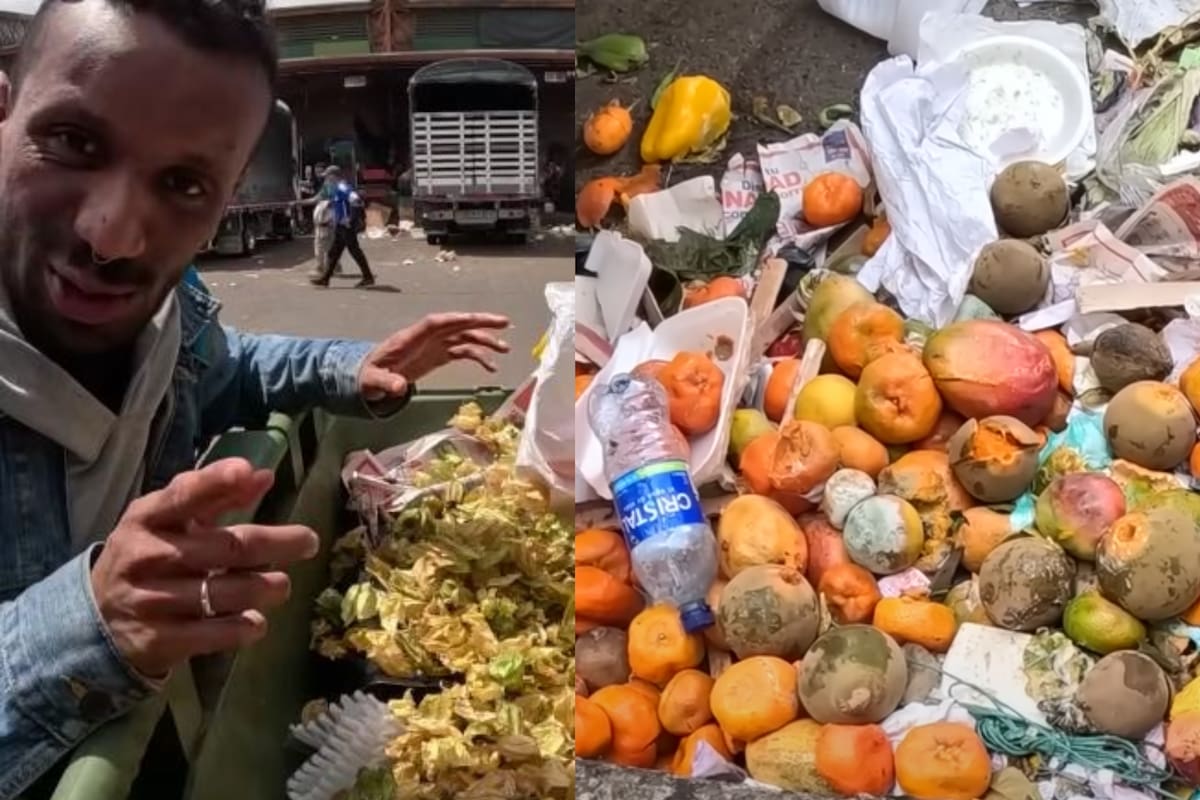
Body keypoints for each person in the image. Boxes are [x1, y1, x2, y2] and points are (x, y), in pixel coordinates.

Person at [0, 1, 509, 795]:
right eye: (73, 142)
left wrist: (351, 366)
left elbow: (221, 372)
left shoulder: (173, 309)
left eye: (183, 184)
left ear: (231, 193)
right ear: (3, 111)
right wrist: (88, 625)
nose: (112, 237)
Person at [310, 165, 373, 288]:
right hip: (340, 226)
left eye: (327, 177)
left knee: (355, 252)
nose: (326, 180)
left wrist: (350, 218)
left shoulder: (342, 187)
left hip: (346, 226)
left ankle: (368, 277)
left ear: (333, 176)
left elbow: (356, 200)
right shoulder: (335, 188)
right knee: (334, 252)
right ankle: (325, 278)